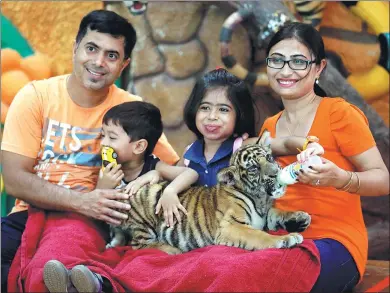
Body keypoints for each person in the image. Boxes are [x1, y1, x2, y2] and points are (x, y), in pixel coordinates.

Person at [1, 10, 179, 292]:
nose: (98, 62)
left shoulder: (132, 109)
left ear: (124, 65)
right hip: (29, 214)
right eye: (91, 48)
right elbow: (13, 179)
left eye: (111, 55)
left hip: (96, 223)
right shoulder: (35, 96)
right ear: (75, 48)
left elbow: (169, 167)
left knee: (59, 268)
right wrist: (83, 201)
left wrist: (151, 181)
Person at [260, 22, 389, 292]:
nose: (285, 70)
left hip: (334, 242)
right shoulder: (270, 126)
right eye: (277, 60)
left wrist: (341, 179)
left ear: (319, 68)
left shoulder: (339, 113)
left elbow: (382, 179)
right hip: (279, 239)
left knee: (273, 277)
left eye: (298, 61)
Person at [180, 68, 324, 187]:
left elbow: (284, 144)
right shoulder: (188, 154)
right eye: (205, 107)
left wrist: (308, 145)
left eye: (223, 109)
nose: (212, 116)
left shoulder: (243, 147)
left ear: (239, 114)